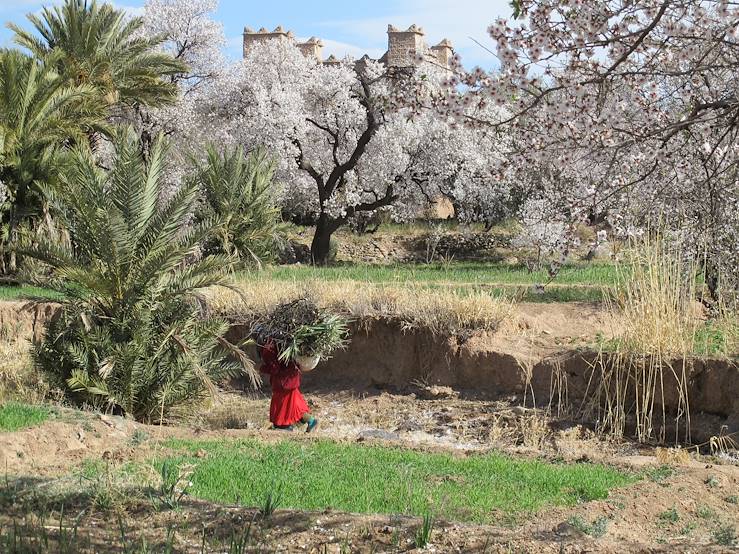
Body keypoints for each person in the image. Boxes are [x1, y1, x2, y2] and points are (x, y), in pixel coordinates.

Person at [258, 340, 318, 432]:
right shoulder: (278, 341)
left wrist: (261, 368)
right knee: (295, 405)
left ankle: (284, 427)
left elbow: (274, 368)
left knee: (282, 408)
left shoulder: (268, 348)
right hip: (292, 377)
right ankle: (310, 420)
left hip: (283, 382)